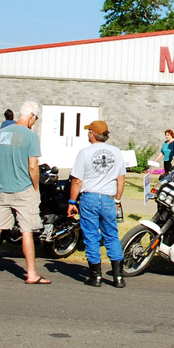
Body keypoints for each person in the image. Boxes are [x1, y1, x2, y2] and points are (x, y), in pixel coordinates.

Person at [0, 100, 49, 284]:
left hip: (4, 189)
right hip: (24, 189)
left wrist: (2, 180)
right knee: (27, 230)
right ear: (32, 116)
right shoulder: (31, 136)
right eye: (35, 118)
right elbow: (33, 166)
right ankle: (32, 273)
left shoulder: (2, 133)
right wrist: (36, 188)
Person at [68, 120, 126, 288]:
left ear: (93, 133)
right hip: (108, 198)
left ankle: (96, 276)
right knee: (111, 236)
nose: (88, 134)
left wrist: (72, 201)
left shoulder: (84, 153)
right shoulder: (116, 152)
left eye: (89, 131)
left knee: (91, 236)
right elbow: (121, 180)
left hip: (90, 198)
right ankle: (118, 277)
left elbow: (77, 180)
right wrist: (117, 200)